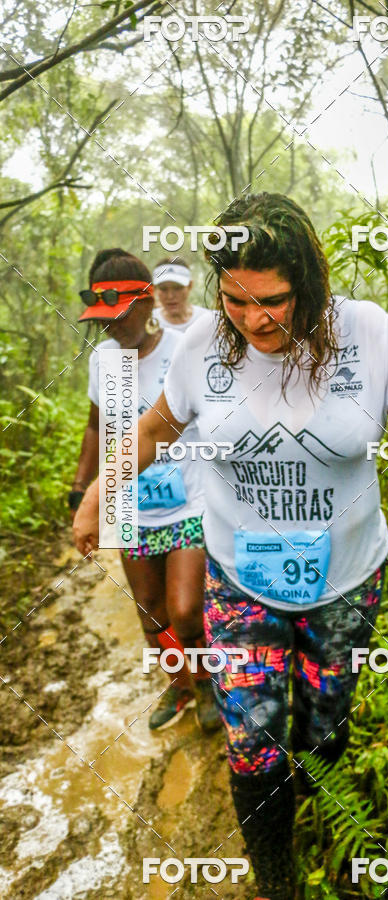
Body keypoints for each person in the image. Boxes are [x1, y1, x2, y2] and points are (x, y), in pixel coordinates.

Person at [73, 195, 388, 900]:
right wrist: (102, 489)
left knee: (323, 726)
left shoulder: (367, 334)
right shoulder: (200, 346)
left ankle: (316, 777)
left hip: (346, 582)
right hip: (238, 582)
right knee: (253, 741)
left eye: (275, 301)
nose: (255, 320)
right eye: (236, 300)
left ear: (309, 281)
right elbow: (157, 430)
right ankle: (276, 875)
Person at [70, 248, 219, 732]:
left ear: (148, 302)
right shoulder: (104, 360)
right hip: (129, 506)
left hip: (189, 502)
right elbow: (98, 426)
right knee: (153, 614)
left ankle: (209, 685)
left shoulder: (183, 350)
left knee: (186, 609)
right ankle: (179, 690)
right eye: (101, 318)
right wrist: (82, 488)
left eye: (117, 314)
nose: (109, 326)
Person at [152, 256, 206, 331]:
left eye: (177, 288)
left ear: (190, 285)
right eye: (163, 289)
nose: (170, 296)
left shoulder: (207, 320)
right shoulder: (148, 323)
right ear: (154, 289)